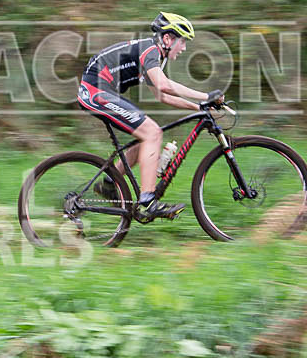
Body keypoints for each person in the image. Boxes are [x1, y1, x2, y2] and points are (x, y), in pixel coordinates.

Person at [77, 12, 223, 220]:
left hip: (102, 91)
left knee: (146, 137)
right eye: (182, 42)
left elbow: (161, 95)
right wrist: (207, 96)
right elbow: (164, 85)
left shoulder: (154, 55)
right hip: (95, 92)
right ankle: (148, 201)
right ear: (167, 39)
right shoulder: (150, 50)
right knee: (152, 132)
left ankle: (110, 184)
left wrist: (198, 106)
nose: (184, 48)